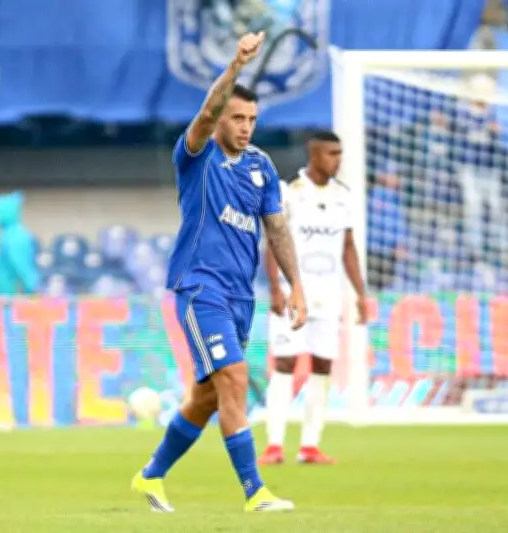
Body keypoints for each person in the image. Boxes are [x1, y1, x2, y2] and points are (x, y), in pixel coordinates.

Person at [130, 31, 307, 513]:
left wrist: (297, 287)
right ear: (220, 120)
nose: (246, 127)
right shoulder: (197, 156)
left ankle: (150, 477)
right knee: (233, 376)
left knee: (207, 397)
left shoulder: (261, 167)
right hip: (199, 286)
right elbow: (207, 113)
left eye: (252, 119)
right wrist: (235, 65)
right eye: (238, 118)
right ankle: (256, 492)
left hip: (239, 297)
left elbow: (278, 230)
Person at [259, 131, 367, 466]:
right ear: (314, 154)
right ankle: (274, 445)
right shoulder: (290, 194)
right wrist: (276, 288)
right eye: (331, 153)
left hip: (329, 295)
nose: (337, 159)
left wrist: (361, 293)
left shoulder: (343, 197)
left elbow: (348, 247)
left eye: (340, 153)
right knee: (286, 363)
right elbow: (273, 242)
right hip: (294, 293)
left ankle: (309, 446)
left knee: (323, 365)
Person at [0, 191, 39, 295]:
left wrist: (33, 288)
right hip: (2, 292)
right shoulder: (6, 234)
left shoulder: (16, 237)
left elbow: (21, 265)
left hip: (10, 294)